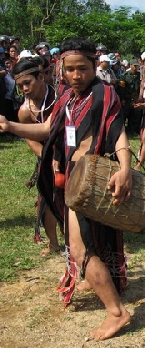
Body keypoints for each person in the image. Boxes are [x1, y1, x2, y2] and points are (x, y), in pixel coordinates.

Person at [0, 38, 131, 340]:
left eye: (82, 68)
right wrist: (11, 126)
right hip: (73, 179)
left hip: (95, 180)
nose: (75, 75)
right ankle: (99, 281)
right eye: (69, 69)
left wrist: (125, 169)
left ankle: (117, 312)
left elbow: (118, 133)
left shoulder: (105, 94)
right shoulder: (66, 99)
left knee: (81, 246)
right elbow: (47, 130)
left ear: (94, 66)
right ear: (61, 69)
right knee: (85, 242)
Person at [14, 58, 61, 255]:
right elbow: (30, 138)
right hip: (47, 158)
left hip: (71, 154)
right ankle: (53, 243)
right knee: (46, 200)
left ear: (41, 77)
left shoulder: (61, 97)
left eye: (27, 82)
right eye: (20, 86)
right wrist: (47, 158)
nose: (24, 89)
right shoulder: (25, 112)